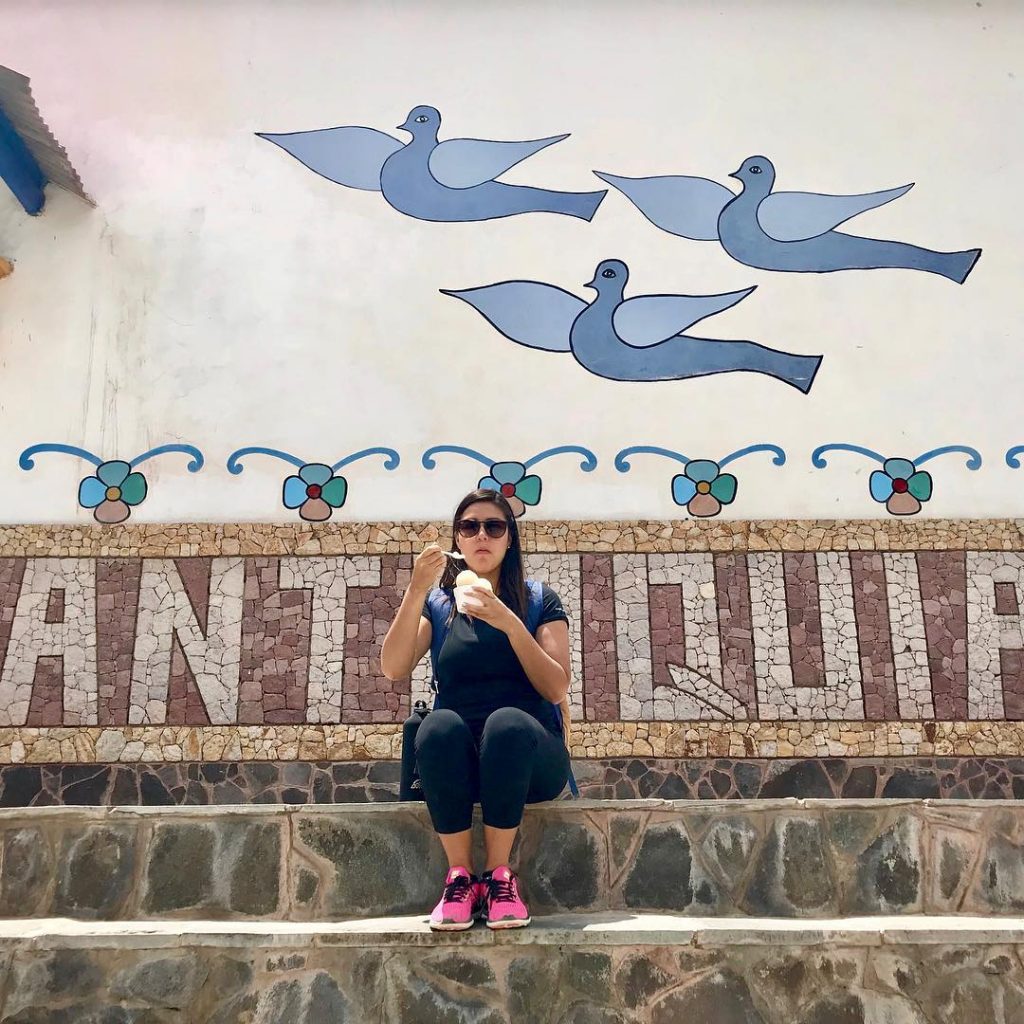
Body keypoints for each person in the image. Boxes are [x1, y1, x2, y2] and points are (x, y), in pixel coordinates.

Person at [380, 489, 572, 931]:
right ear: (457, 542)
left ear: (510, 539)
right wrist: (415, 589)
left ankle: (500, 878)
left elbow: (556, 683)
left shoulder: (539, 599)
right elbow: (393, 667)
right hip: (462, 763)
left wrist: (507, 621)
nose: (481, 534)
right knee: (438, 725)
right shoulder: (439, 605)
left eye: (494, 526)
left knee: (506, 724)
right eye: (469, 527)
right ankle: (461, 879)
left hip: (530, 753)